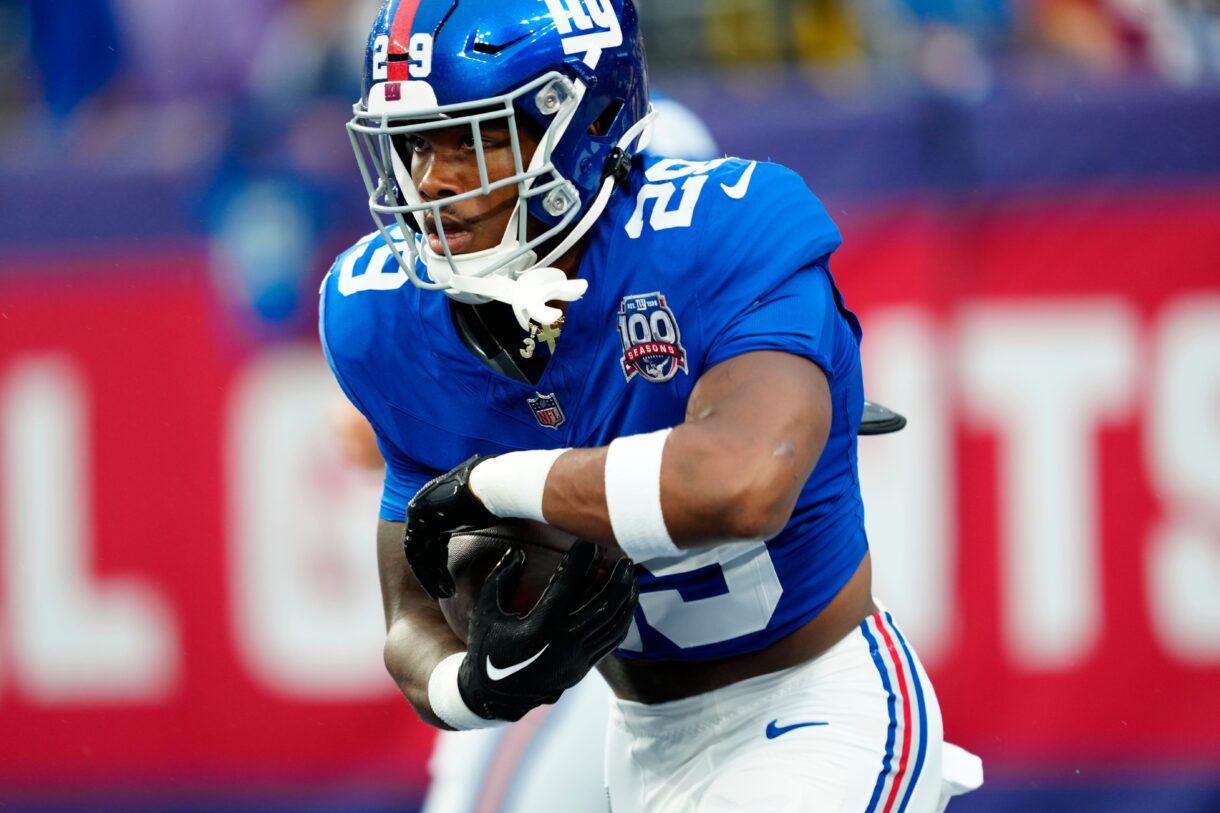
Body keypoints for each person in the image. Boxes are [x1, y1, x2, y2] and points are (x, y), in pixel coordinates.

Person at [320, 1, 981, 809]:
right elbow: (411, 615)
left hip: (817, 709)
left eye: (476, 137)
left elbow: (741, 485)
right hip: (640, 742)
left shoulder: (724, 226)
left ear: (581, 121)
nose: (435, 180)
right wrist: (472, 686)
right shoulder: (378, 311)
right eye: (416, 144)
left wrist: (492, 483)